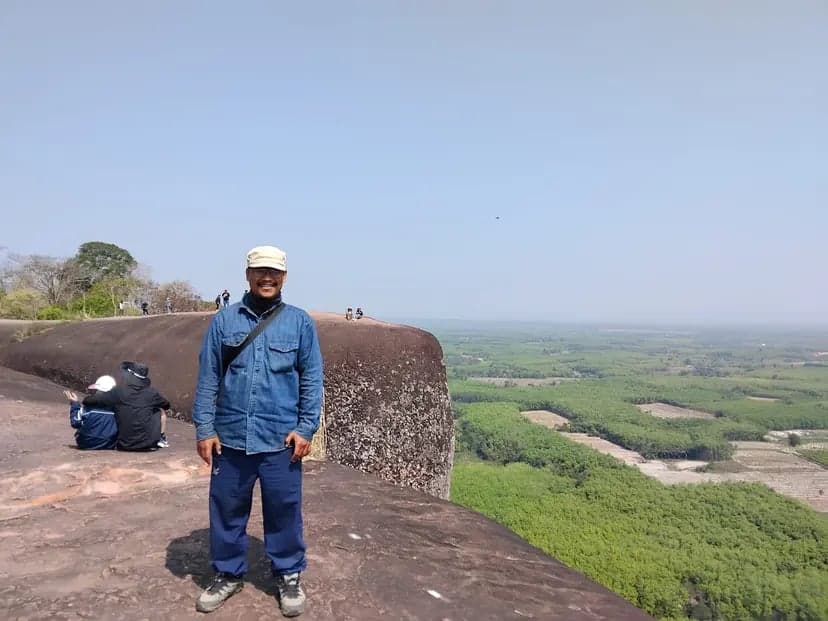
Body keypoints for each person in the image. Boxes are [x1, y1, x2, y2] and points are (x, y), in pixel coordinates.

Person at [192, 245, 323, 617]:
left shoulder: (299, 322)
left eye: (274, 272)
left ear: (284, 277)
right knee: (227, 509)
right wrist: (204, 428)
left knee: (284, 509)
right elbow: (208, 377)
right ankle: (228, 573)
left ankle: (288, 573)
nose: (267, 278)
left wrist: (306, 428)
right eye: (260, 271)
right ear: (247, 275)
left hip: (281, 439)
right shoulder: (225, 321)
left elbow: (312, 379)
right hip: (231, 436)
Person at [83, 361, 171, 450]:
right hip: (148, 444)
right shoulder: (152, 393)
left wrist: (86, 400)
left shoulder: (119, 391)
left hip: (124, 444)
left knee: (115, 407)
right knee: (160, 410)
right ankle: (161, 438)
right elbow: (166, 405)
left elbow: (90, 401)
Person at [63, 375, 119, 450]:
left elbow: (75, 423)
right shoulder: (117, 410)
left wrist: (75, 403)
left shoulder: (87, 409)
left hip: (85, 443)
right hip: (108, 444)